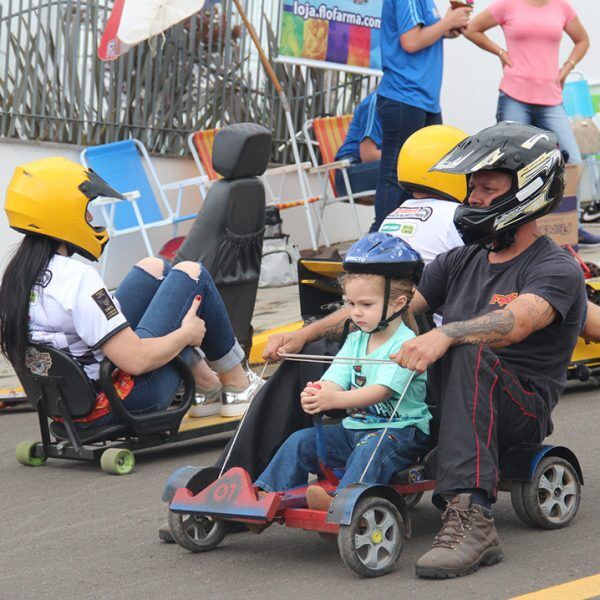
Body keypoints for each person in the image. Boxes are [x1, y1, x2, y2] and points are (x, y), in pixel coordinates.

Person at [391, 121, 587, 577]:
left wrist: (446, 333)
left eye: (486, 189)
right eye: (471, 188)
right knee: (329, 346)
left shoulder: (555, 267)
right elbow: (394, 308)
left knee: (465, 348)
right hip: (458, 395)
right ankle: (241, 481)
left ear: (527, 193)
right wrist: (317, 330)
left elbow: (516, 323)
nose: (473, 199)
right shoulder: (460, 259)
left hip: (518, 408)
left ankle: (472, 519)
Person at [0, 157, 263, 428]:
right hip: (122, 400)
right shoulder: (78, 279)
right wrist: (186, 335)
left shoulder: (17, 277)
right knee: (192, 274)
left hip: (66, 404)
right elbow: (137, 360)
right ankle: (237, 386)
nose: (91, 218)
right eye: (86, 210)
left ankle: (206, 388)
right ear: (62, 214)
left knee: (154, 268)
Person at [254, 234, 431, 512]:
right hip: (356, 429)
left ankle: (343, 503)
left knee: (369, 450)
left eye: (366, 305)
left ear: (398, 304)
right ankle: (267, 497)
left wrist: (334, 401)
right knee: (300, 441)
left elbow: (380, 392)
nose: (356, 313)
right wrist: (320, 393)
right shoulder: (357, 338)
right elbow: (336, 377)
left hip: (399, 433)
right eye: (350, 304)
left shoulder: (406, 344)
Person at [464, 0, 600, 246]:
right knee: (511, 167)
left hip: (551, 98)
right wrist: (501, 53)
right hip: (515, 95)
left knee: (572, 163)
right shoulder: (507, 5)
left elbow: (583, 39)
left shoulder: (562, 7)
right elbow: (472, 28)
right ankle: (509, 229)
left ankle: (572, 226)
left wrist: (567, 67)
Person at [372, 0, 471, 232]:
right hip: (403, 96)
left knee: (431, 178)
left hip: (424, 100)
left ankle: (414, 237)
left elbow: (424, 35)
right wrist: (447, 21)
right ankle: (382, 243)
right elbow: (412, 41)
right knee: (395, 176)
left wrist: (448, 28)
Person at [333, 91, 382, 198]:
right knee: (403, 171)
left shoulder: (414, 105)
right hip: (349, 174)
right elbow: (369, 155)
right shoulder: (376, 101)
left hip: (376, 169)